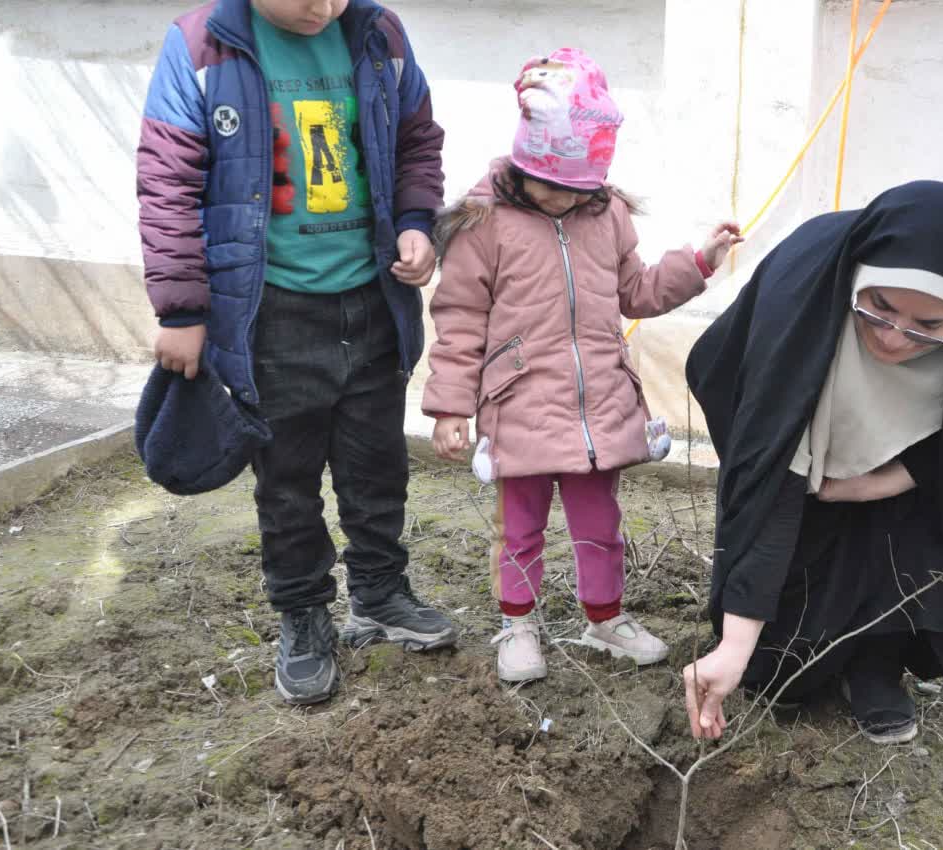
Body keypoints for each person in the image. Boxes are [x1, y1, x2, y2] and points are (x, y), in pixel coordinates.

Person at [137, 0, 457, 706]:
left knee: (378, 464)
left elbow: (416, 142)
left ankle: (378, 593)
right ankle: (303, 616)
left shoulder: (379, 34)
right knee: (286, 481)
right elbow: (167, 183)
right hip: (270, 311)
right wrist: (183, 308)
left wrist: (414, 224)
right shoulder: (203, 48)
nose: (326, 5)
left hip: (372, 300)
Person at [423, 48, 742, 683]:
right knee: (521, 528)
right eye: (553, 188)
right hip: (520, 404)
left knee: (602, 524)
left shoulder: (607, 214)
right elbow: (458, 317)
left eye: (580, 190)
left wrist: (699, 262)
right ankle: (518, 624)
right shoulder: (483, 222)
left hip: (600, 402)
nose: (566, 201)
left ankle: (605, 619)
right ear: (525, 162)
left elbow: (640, 292)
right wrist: (450, 406)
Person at [682, 181, 943, 744]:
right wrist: (734, 644)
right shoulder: (804, 306)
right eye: (880, 308)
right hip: (799, 457)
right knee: (777, 676)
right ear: (857, 279)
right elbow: (774, 486)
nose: (894, 341)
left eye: (930, 326)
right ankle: (778, 645)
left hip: (902, 485)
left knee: (916, 525)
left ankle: (875, 663)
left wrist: (876, 485)